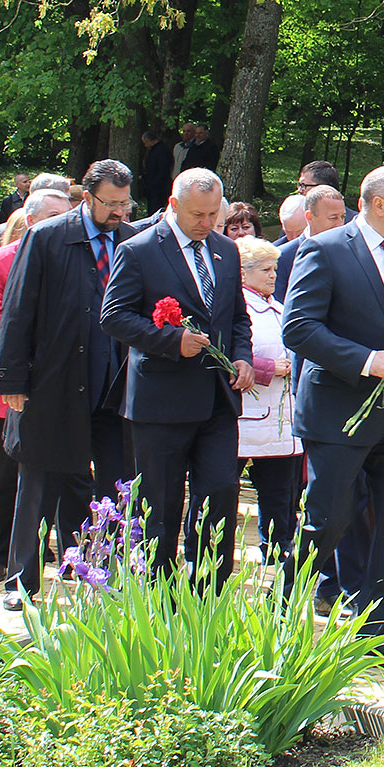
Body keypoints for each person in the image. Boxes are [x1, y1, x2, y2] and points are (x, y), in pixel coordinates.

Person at [284, 166, 384, 674]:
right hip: (339, 413)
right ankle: (282, 616)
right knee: (327, 521)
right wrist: (364, 359)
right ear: (376, 204)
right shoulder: (327, 249)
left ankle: (379, 636)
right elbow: (299, 327)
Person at [0, 160, 140, 608]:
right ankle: (22, 580)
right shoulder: (47, 238)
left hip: (115, 385)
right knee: (39, 482)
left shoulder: (133, 241)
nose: (119, 211)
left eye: (125, 203)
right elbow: (17, 312)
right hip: (55, 382)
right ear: (87, 197)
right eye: (110, 203)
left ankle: (113, 575)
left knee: (119, 485)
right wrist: (13, 379)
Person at [101, 168, 255, 582]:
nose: (206, 224)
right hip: (161, 401)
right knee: (162, 504)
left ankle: (208, 593)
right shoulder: (139, 250)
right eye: (197, 216)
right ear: (173, 206)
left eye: (213, 215)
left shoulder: (225, 249)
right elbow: (114, 317)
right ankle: (159, 592)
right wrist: (171, 341)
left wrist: (242, 357)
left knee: (221, 493)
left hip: (218, 400)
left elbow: (237, 317)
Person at [0, 187, 72, 585]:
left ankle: (56, 549)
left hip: (66, 385)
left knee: (61, 474)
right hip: (14, 385)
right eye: (51, 214)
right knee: (3, 476)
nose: (61, 223)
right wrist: (45, 341)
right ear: (29, 219)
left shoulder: (75, 256)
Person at [235, 235, 302, 568]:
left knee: (279, 499)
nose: (274, 275)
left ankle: (277, 559)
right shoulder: (238, 308)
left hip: (281, 422)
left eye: (275, 268)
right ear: (244, 273)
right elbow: (226, 353)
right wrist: (267, 368)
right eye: (265, 269)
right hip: (246, 418)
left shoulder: (277, 306)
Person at [275, 184, 347, 299]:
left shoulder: (352, 251)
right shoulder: (283, 257)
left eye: (342, 217)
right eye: (333, 218)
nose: (340, 224)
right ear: (310, 217)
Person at [139, 129, 175, 208]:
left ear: (150, 140)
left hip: (159, 187)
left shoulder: (162, 150)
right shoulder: (154, 150)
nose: (145, 145)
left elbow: (163, 169)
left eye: (145, 142)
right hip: (153, 185)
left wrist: (154, 183)